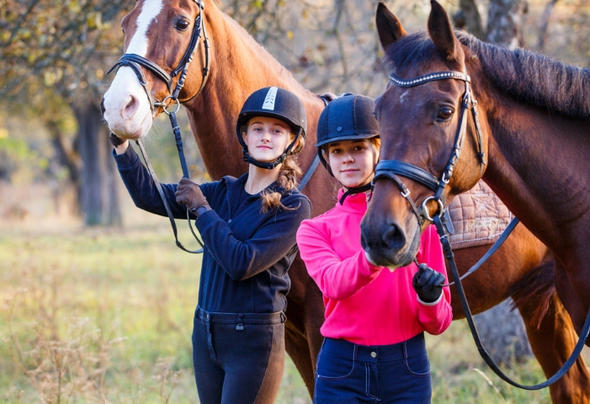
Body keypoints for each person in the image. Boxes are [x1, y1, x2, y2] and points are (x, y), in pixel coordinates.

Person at [111, 87, 312, 404]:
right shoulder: (223, 191)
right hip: (206, 331)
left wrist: (202, 210)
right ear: (244, 136)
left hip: (253, 342)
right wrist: (122, 145)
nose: (265, 137)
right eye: (257, 128)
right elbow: (150, 196)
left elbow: (242, 263)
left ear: (292, 141)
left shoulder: (293, 206)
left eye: (276, 130)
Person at [296, 94, 452, 403]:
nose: (348, 159)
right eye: (337, 151)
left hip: (406, 366)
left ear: (378, 149)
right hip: (342, 367)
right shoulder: (314, 229)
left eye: (358, 148)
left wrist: (430, 297)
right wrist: (376, 251)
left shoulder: (417, 225)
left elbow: (439, 322)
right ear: (326, 159)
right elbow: (334, 283)